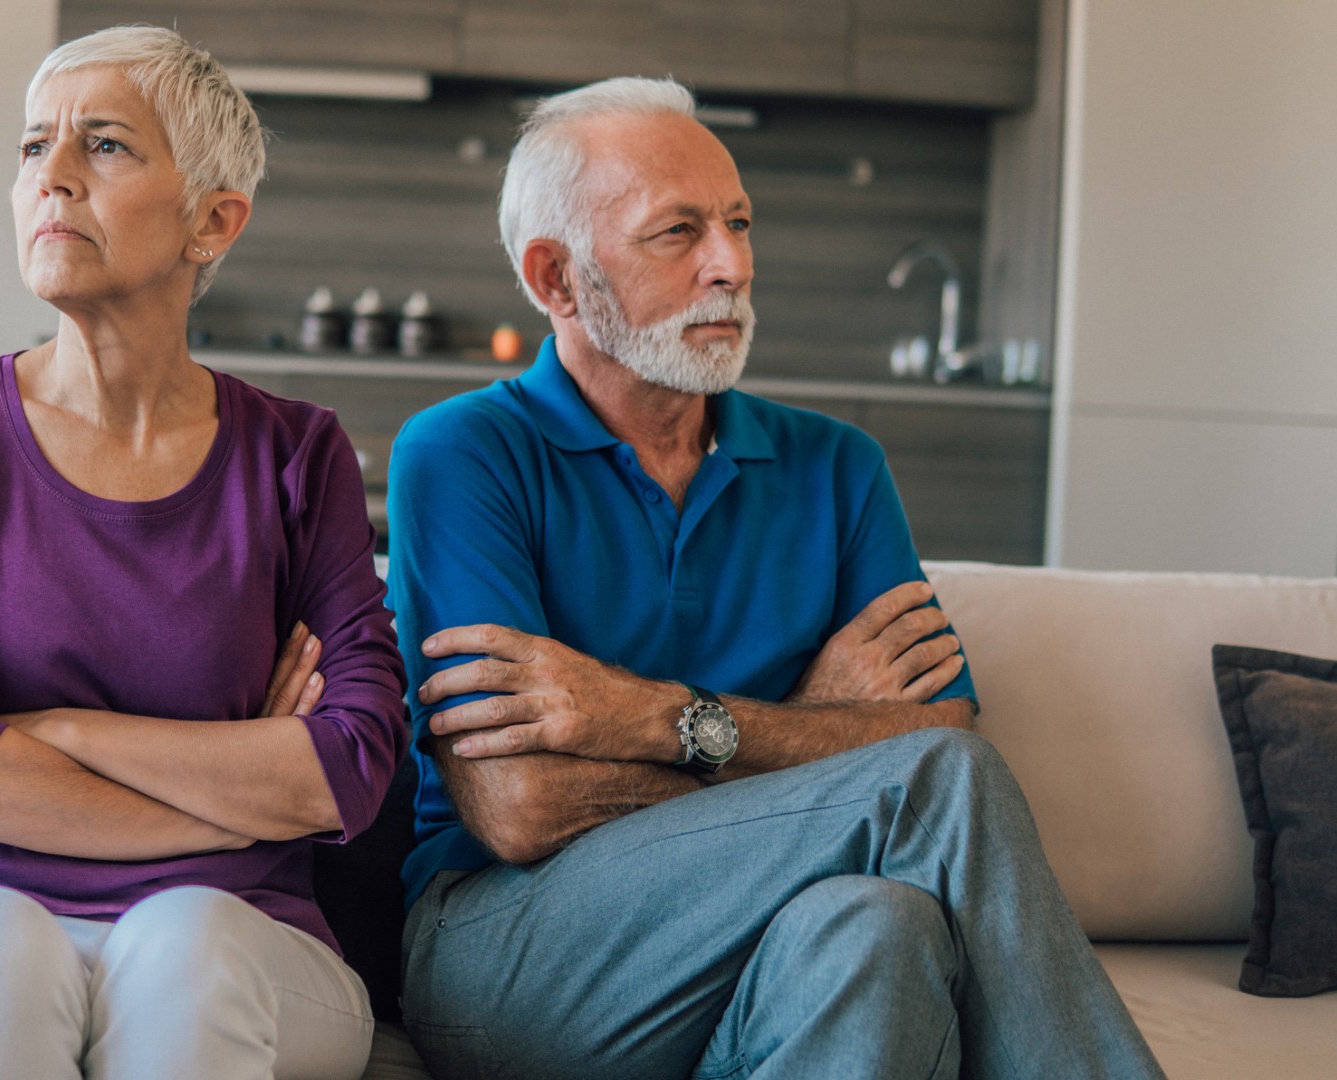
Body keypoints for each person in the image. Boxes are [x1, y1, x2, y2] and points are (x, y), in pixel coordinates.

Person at [385, 77, 1165, 1080]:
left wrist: (648, 717)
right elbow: (521, 808)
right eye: (678, 232)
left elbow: (935, 722)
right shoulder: (462, 453)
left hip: (762, 945)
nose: (732, 265)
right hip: (511, 952)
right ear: (556, 277)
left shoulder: (838, 467)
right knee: (934, 786)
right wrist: (813, 730)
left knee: (879, 928)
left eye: (740, 223)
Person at [0, 26, 404, 1080]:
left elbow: (350, 768)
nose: (50, 177)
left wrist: (45, 730)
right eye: (33, 145)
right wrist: (235, 793)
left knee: (184, 940)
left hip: (246, 939)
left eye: (103, 146)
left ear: (213, 220)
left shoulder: (297, 453)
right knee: (1, 945)